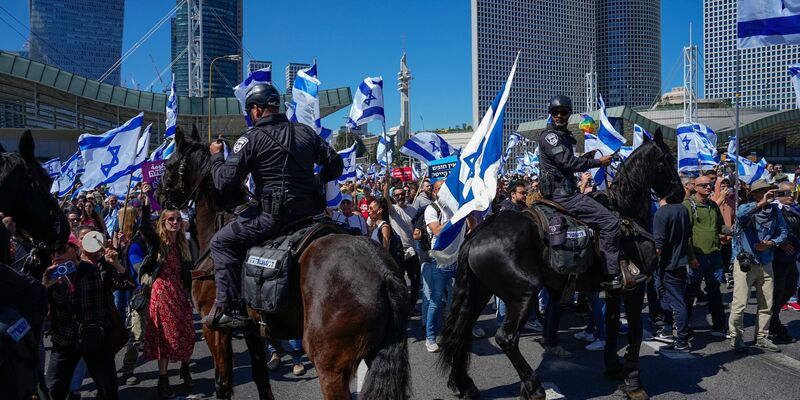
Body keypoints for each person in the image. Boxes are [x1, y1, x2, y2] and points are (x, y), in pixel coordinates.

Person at [206, 83, 343, 328]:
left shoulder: (251, 137)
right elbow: (336, 166)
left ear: (257, 110)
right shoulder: (305, 131)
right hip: (311, 214)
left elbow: (224, 181)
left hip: (273, 218)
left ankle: (230, 308)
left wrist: (217, 156)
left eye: (250, 111)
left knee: (220, 242)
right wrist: (316, 180)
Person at [537, 95, 620, 289]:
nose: (559, 115)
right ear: (551, 114)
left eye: (563, 112)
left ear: (568, 114)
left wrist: (584, 157)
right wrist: (598, 162)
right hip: (564, 196)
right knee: (610, 222)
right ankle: (612, 274)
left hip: (564, 192)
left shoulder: (562, 136)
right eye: (555, 112)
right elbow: (567, 162)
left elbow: (563, 163)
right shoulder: (551, 136)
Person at [44, 234, 135, 400]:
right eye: (52, 251)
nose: (56, 254)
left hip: (96, 336)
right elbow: (38, 308)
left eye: (61, 249)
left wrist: (116, 264)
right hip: (64, 338)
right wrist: (45, 286)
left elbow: (129, 284)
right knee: (52, 391)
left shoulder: (95, 270)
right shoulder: (52, 274)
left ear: (74, 249)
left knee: (108, 391)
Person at [137, 184, 195, 398]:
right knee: (164, 336)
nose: (175, 222)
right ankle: (163, 379)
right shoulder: (157, 243)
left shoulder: (184, 244)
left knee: (187, 332)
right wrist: (146, 199)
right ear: (163, 222)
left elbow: (188, 272)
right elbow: (143, 227)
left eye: (178, 219)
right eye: (170, 219)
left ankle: (185, 369)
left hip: (180, 292)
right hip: (160, 293)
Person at [729, 179, 788, 353]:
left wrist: (772, 242)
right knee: (739, 304)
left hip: (766, 261)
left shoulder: (775, 211)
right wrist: (760, 203)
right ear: (754, 194)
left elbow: (783, 231)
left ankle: (762, 337)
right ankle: (736, 337)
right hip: (745, 262)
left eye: (770, 191)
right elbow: (740, 216)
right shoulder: (745, 208)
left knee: (766, 304)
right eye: (764, 191)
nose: (769, 193)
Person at [683, 175, 731, 337]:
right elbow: (685, 234)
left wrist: (733, 229)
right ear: (695, 187)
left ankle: (719, 326)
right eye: (704, 185)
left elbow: (720, 227)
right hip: (697, 256)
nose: (708, 187)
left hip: (714, 255)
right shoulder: (688, 205)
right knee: (690, 292)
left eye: (710, 185)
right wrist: (690, 257)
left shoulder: (712, 205)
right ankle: (683, 325)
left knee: (715, 291)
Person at [653, 193, 693, 352]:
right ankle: (668, 330)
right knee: (666, 296)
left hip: (668, 264)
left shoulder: (661, 213)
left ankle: (682, 339)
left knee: (677, 301)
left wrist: (648, 264)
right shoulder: (683, 209)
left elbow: (658, 244)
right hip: (680, 262)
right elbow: (689, 235)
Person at [421, 180, 457, 353]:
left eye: (446, 188)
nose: (443, 192)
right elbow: (436, 230)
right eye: (439, 189)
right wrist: (455, 220)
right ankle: (430, 338)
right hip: (440, 259)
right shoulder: (431, 209)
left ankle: (453, 332)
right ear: (434, 192)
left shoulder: (456, 207)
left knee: (455, 299)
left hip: (457, 257)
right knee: (435, 301)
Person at [769, 181, 800, 343]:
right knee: (777, 291)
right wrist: (780, 242)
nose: (793, 196)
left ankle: (773, 318)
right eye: (790, 193)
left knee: (791, 288)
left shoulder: (793, 209)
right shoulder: (773, 209)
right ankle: (772, 325)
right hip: (777, 258)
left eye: (794, 193)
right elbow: (766, 230)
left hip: (792, 257)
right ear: (780, 195)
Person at [389, 187, 421, 314]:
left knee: (415, 279)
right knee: (399, 280)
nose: (400, 197)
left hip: (412, 249)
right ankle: (401, 307)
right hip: (398, 251)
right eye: (397, 195)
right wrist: (386, 185)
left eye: (402, 194)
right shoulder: (393, 210)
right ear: (394, 197)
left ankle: (413, 305)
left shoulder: (413, 210)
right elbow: (386, 199)